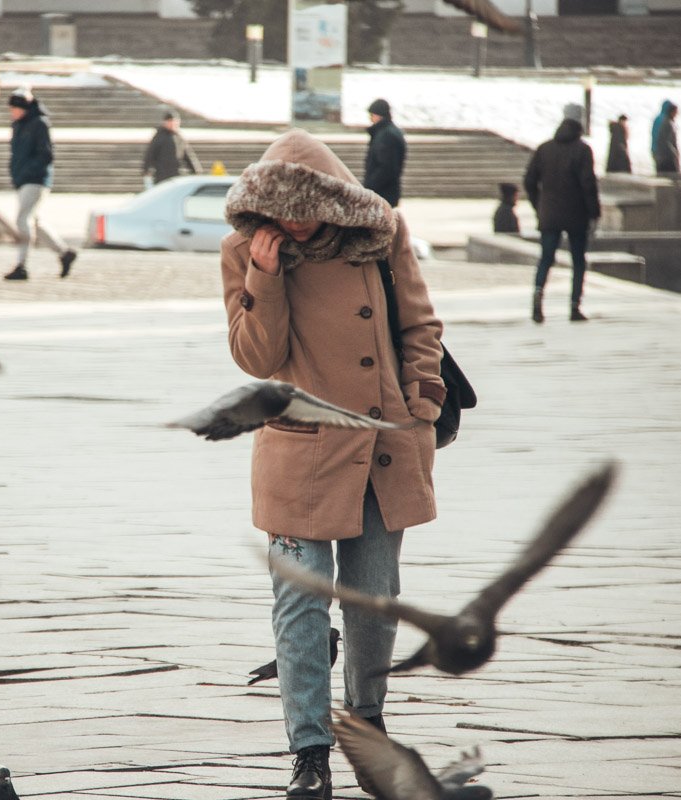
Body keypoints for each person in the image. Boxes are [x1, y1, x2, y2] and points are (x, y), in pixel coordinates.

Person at [220, 128, 444, 800]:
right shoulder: (243, 252)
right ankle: (310, 752)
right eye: (282, 208)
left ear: (334, 200)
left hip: (380, 445)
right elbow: (256, 358)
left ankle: (368, 724)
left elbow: (420, 324)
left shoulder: (380, 236)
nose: (295, 221)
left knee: (374, 601)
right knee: (301, 605)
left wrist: (423, 399)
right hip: (301, 450)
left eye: (308, 208)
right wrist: (265, 277)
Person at [524, 103, 600, 323]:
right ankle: (575, 306)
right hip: (577, 214)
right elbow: (588, 184)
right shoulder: (583, 150)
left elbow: (529, 181)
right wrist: (594, 213)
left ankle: (538, 293)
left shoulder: (545, 148)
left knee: (546, 258)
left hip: (549, 213)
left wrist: (539, 205)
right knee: (578, 261)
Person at [3, 87, 77, 281]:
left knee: (22, 220)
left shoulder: (39, 123)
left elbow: (46, 154)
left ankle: (21, 265)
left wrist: (28, 171)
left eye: (14, 108)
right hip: (22, 180)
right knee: (34, 221)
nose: (12, 112)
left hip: (36, 180)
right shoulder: (18, 125)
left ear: (23, 107)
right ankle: (64, 253)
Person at [362, 98, 407, 208]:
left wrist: (369, 187)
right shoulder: (388, 132)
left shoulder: (386, 135)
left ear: (378, 115)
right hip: (387, 192)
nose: (370, 119)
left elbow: (387, 168)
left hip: (382, 193)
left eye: (371, 115)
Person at [142, 111, 201, 187]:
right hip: (162, 175)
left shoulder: (179, 138)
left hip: (176, 175)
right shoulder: (159, 136)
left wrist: (196, 171)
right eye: (170, 121)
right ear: (165, 122)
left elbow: (188, 156)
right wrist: (146, 170)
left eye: (175, 121)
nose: (173, 124)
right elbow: (150, 154)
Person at [652, 100, 680, 176]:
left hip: (655, 150)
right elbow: (665, 140)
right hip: (664, 153)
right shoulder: (666, 121)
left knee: (660, 173)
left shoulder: (657, 118)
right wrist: (674, 152)